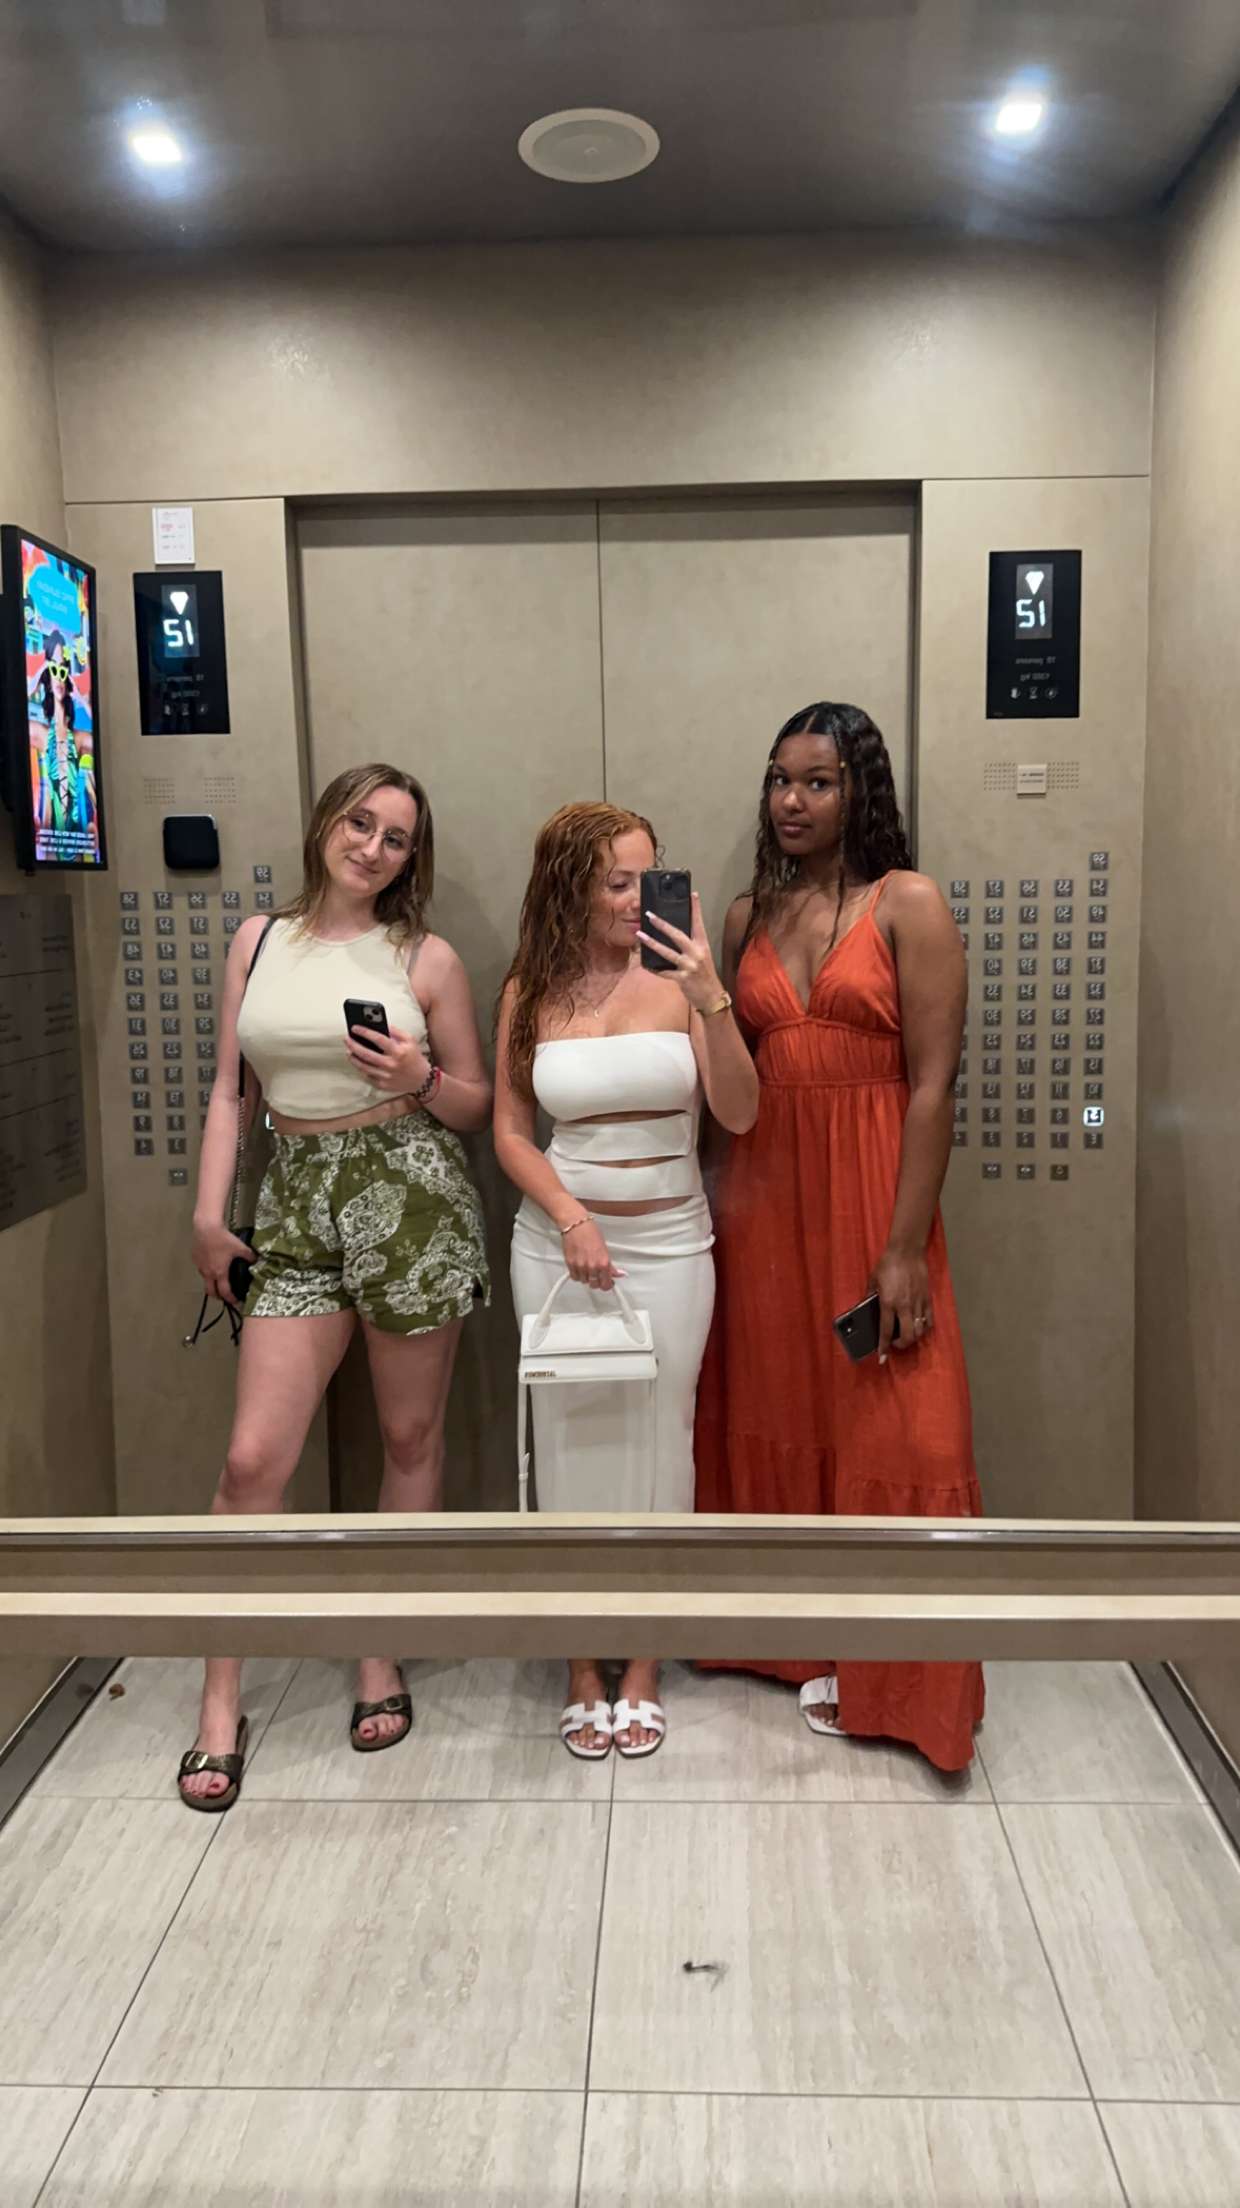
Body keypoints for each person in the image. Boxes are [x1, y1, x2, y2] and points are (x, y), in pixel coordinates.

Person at [178, 763, 491, 1809]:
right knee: (250, 1461)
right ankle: (220, 1701)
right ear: (325, 824)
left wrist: (420, 1079)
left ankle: (378, 1652)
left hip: (410, 1190)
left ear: (412, 858)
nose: (372, 848)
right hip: (296, 1198)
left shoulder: (425, 957)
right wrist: (209, 1215)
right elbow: (231, 1091)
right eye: (360, 823)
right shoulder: (258, 941)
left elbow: (477, 1105)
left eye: (397, 838)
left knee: (409, 1439)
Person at [694, 702, 984, 1773]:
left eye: (817, 781)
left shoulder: (908, 902)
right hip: (762, 1199)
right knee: (779, 1398)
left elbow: (933, 1086)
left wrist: (903, 1247)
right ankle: (789, 1643)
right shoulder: (745, 917)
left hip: (873, 1194)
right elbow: (725, 1076)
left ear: (861, 789)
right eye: (779, 780)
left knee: (901, 1423)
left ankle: (900, 1680)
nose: (792, 801)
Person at [495, 802, 758, 1760]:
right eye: (615, 881)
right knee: (566, 1439)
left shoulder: (683, 979)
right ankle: (579, 1662)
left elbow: (741, 1112)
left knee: (664, 1445)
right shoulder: (529, 990)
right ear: (569, 886)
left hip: (673, 1245)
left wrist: (710, 994)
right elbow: (512, 1134)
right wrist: (571, 1217)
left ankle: (643, 1662)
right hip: (555, 1246)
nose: (636, 898)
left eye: (649, 876)